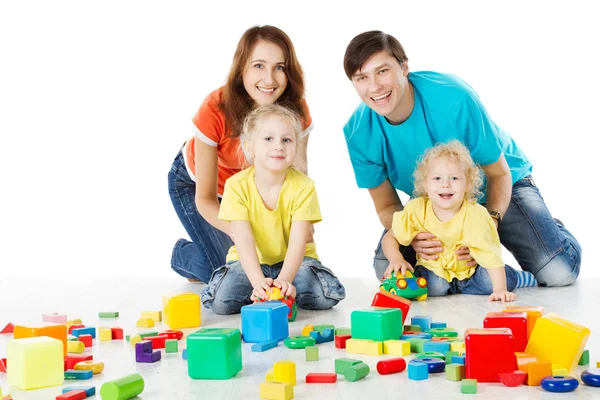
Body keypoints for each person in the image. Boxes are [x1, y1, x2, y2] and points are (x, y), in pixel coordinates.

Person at [342, 30, 581, 287]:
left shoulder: (454, 98)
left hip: (498, 184)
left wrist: (484, 227)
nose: (374, 87)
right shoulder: (358, 132)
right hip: (438, 195)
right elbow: (387, 207)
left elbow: (499, 173)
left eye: (382, 71)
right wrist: (413, 238)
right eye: (362, 77)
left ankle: (547, 228)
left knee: (558, 272)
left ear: (404, 67)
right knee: (388, 270)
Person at [168, 25, 313, 284]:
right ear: (241, 68)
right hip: (196, 184)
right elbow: (205, 198)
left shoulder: (296, 109)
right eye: (259, 65)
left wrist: (300, 223)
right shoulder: (215, 107)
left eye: (279, 67)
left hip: (252, 191)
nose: (269, 79)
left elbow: (296, 177)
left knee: (267, 264)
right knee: (232, 274)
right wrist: (239, 229)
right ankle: (183, 255)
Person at [200, 104, 345, 314]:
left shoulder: (304, 186)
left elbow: (298, 241)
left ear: (295, 146)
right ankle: (260, 291)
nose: (279, 146)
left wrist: (284, 281)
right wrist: (258, 281)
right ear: (250, 147)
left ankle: (276, 291)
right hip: (248, 263)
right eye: (268, 139)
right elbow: (243, 239)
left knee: (325, 296)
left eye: (286, 140)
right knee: (220, 302)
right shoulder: (236, 186)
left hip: (295, 263)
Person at [383, 141, 538, 302]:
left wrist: (500, 290)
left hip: (471, 271)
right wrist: (396, 259)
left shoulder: (475, 215)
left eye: (455, 178)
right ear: (425, 184)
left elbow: (491, 255)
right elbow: (390, 237)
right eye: (437, 178)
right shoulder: (416, 209)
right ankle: (447, 287)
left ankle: (518, 277)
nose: (445, 184)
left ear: (468, 183)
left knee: (488, 282)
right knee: (434, 287)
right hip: (435, 271)